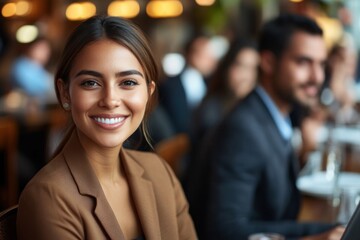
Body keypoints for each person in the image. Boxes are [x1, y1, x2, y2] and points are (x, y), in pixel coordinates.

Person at [17, 15, 197, 240]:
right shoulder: (48, 197)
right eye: (90, 83)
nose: (110, 100)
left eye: (128, 83)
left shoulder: (160, 173)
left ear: (149, 93)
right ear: (65, 93)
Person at [185, 13, 345, 239]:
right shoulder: (243, 130)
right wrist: (317, 234)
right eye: (303, 62)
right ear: (268, 62)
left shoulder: (275, 113)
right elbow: (225, 230)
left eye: (320, 64)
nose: (317, 77)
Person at [158, 33, 218, 135]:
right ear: (192, 55)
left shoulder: (212, 83)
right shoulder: (169, 86)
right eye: (206, 55)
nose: (212, 60)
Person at [10, 37, 54, 109]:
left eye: (47, 49)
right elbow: (30, 87)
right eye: (41, 48)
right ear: (31, 47)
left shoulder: (39, 68)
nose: (46, 52)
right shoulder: (20, 65)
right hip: (23, 111)